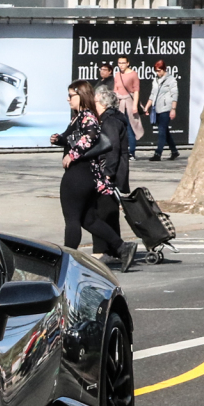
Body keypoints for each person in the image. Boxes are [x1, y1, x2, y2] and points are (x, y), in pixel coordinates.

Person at [51, 80, 137, 272]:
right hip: (84, 175)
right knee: (88, 220)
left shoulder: (87, 116)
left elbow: (92, 134)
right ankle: (123, 248)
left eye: (71, 95)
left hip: (78, 174)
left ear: (81, 95)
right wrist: (60, 140)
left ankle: (66, 265)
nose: (68, 99)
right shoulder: (78, 116)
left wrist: (72, 155)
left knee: (72, 219)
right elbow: (74, 138)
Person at [92, 84, 129, 260]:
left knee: (101, 212)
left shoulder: (110, 121)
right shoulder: (112, 119)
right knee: (110, 211)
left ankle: (103, 250)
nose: (93, 104)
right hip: (112, 171)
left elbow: (112, 149)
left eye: (95, 101)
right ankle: (115, 249)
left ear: (103, 103)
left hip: (109, 172)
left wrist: (107, 174)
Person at [144, 59, 180, 161]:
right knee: (165, 131)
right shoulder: (155, 80)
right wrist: (147, 107)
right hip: (157, 108)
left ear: (164, 69)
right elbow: (152, 95)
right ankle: (174, 151)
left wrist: (173, 109)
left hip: (166, 108)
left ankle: (158, 153)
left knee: (161, 131)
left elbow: (174, 95)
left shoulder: (171, 80)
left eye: (159, 70)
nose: (158, 73)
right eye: (156, 70)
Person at [113, 55, 143, 159]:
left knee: (131, 127)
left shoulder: (133, 74)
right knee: (121, 128)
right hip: (120, 102)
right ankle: (122, 151)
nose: (121, 65)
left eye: (123, 63)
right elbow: (115, 90)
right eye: (119, 63)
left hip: (129, 102)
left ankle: (132, 152)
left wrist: (135, 105)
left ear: (127, 63)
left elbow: (136, 90)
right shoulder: (117, 75)